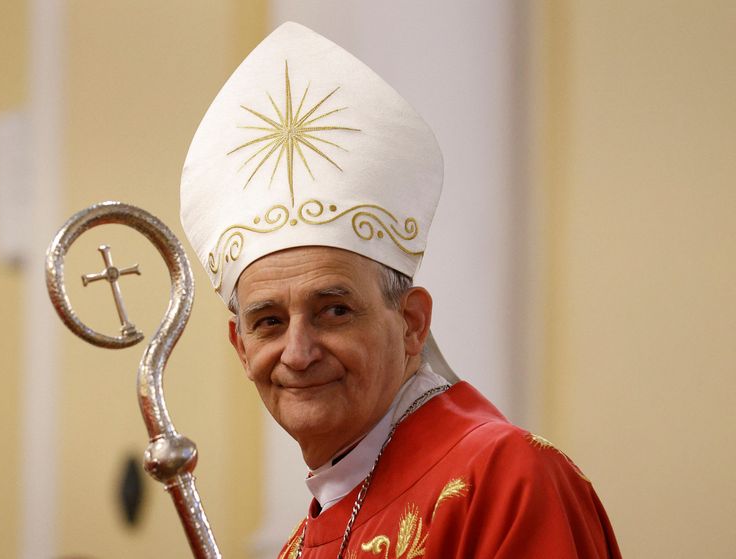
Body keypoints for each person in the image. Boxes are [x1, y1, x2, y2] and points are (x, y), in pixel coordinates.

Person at [180, 22, 621, 558]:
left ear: (411, 323)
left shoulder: (505, 481)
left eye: (334, 310)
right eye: (269, 321)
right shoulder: (300, 545)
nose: (297, 353)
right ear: (240, 346)